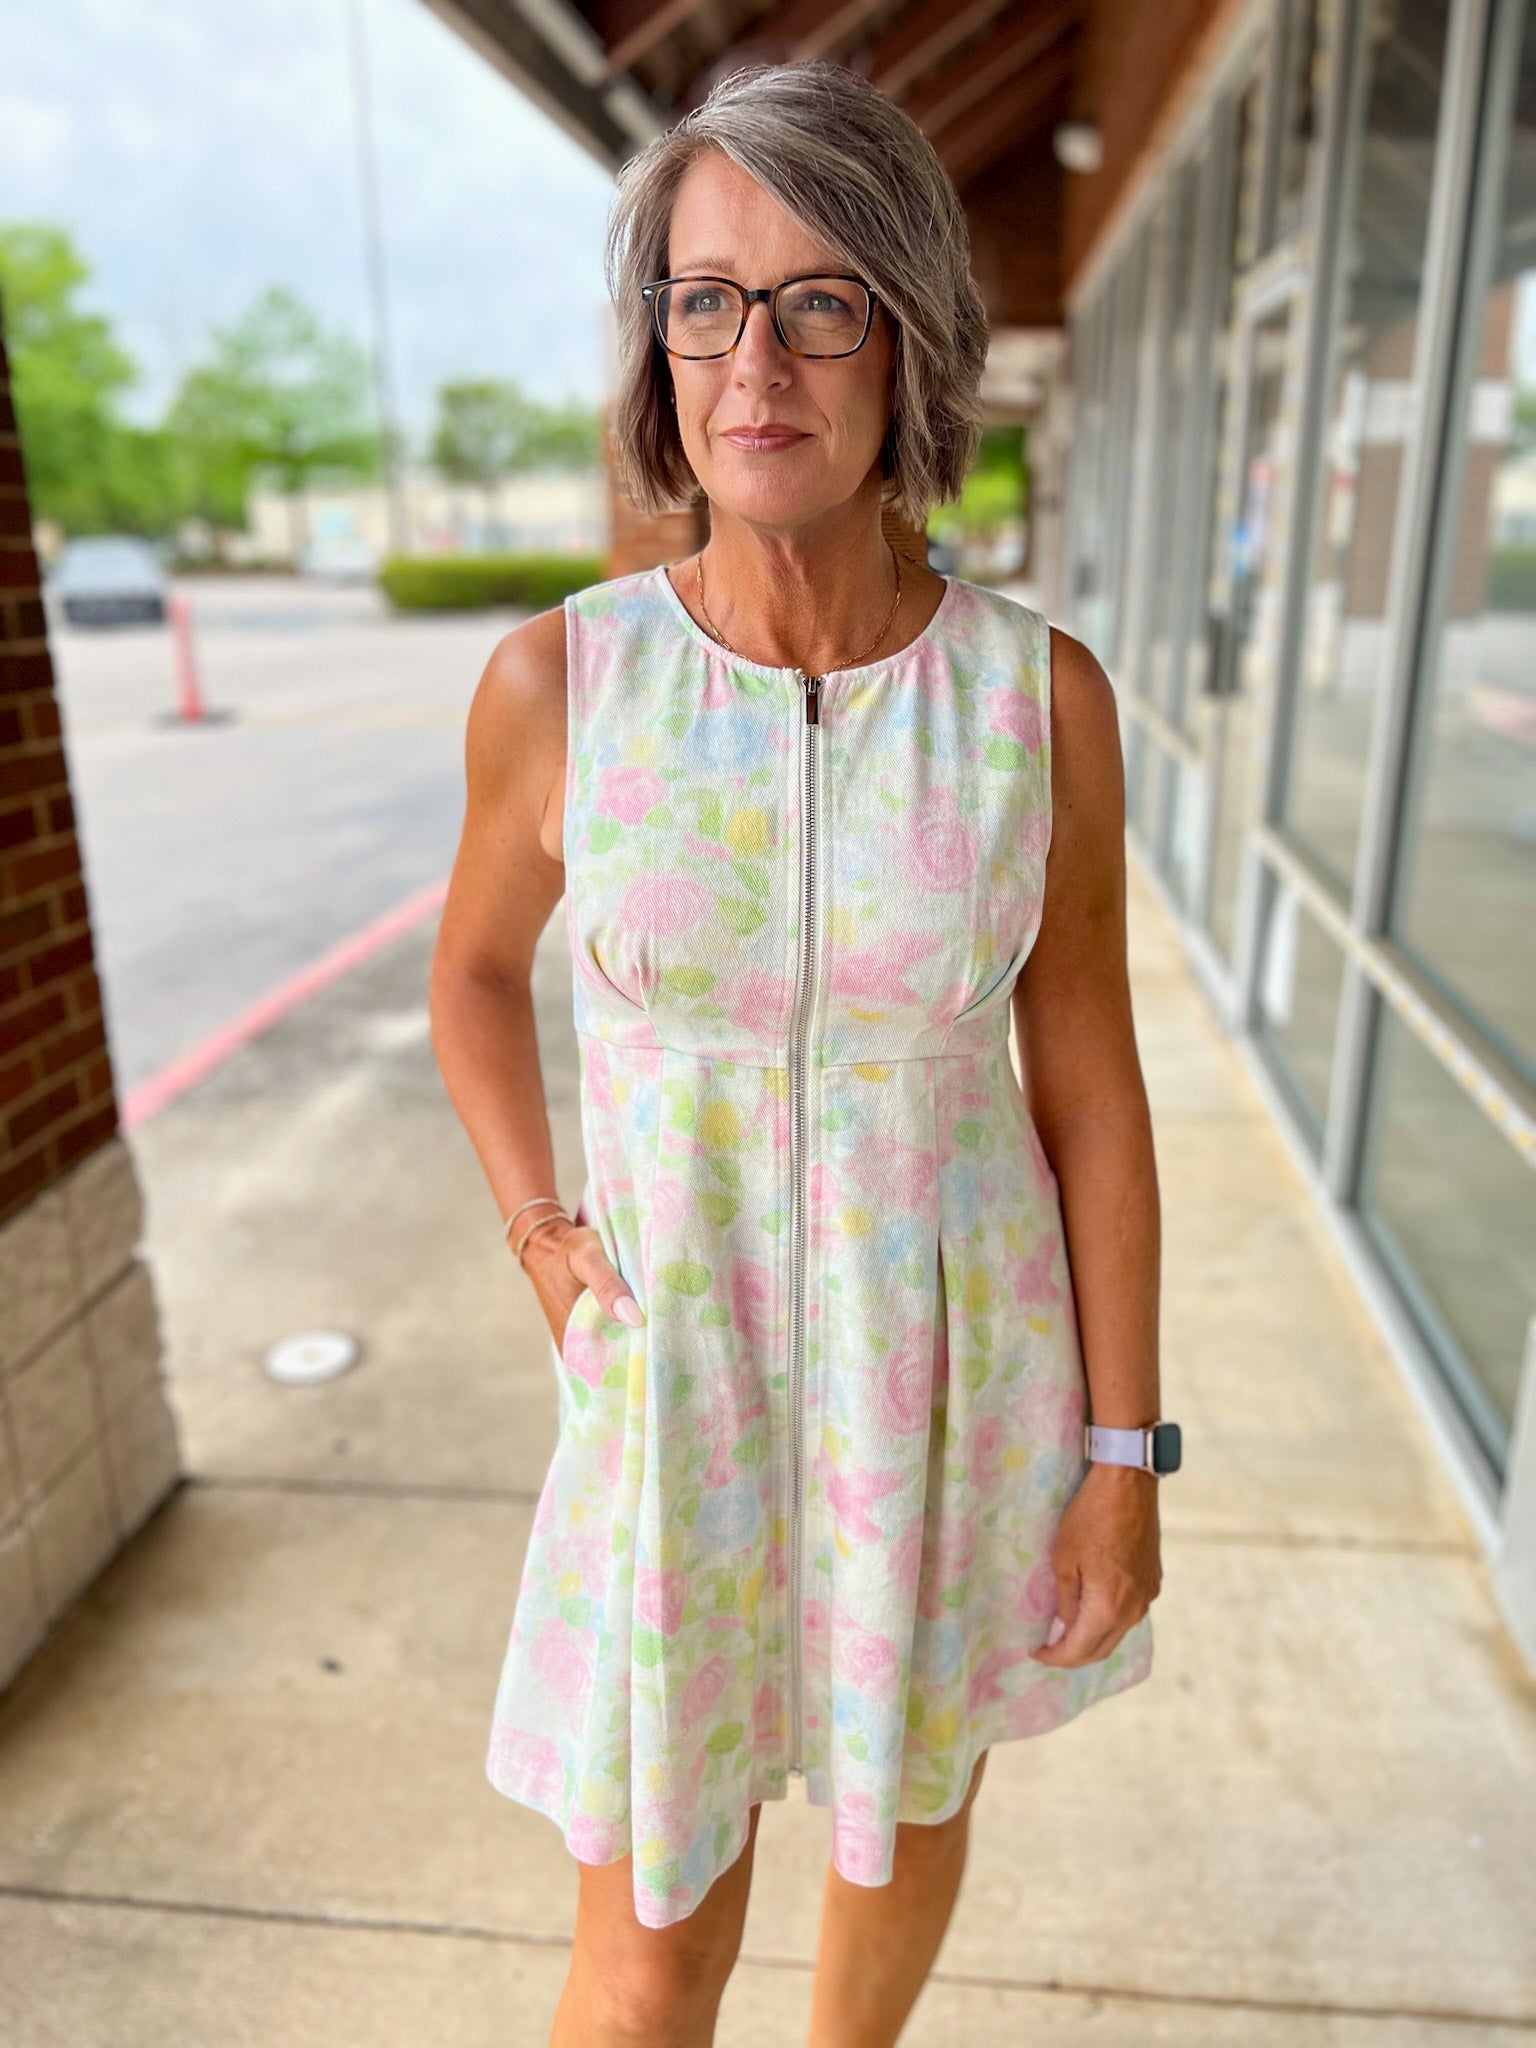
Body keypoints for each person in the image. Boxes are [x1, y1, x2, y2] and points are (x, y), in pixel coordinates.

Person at [429, 56, 1174, 2048]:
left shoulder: (1038, 703)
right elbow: (477, 977)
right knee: (651, 1957)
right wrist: (540, 1230)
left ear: (909, 336)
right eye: (706, 297)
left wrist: (1124, 1452)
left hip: (950, 1401)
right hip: (676, 1399)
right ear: (659, 347)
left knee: (889, 1845)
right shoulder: (564, 685)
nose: (756, 354)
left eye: (820, 296)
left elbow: (1090, 1080)